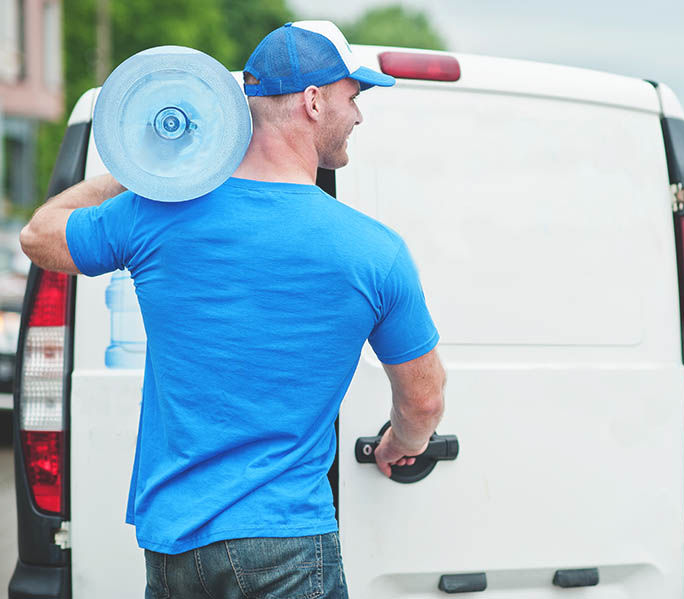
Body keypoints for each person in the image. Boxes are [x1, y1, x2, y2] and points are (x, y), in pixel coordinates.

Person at [19, 20, 446, 599]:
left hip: (174, 547)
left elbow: (39, 235)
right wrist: (403, 443)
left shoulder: (155, 214)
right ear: (313, 101)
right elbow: (424, 399)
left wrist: (140, 174)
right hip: (286, 544)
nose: (359, 115)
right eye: (353, 96)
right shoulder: (373, 250)